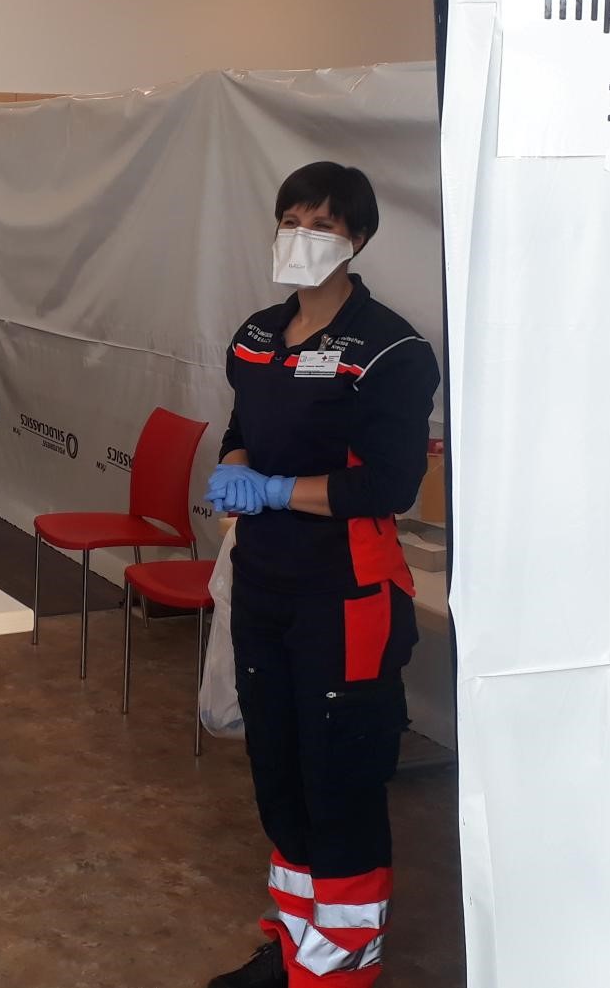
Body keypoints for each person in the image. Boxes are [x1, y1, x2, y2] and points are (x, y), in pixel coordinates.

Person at [202, 162, 440, 988]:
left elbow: (387, 485)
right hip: (264, 584)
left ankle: (338, 970)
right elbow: (241, 426)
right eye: (290, 220)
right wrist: (237, 467)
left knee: (338, 784)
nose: (301, 237)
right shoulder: (258, 334)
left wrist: (275, 490)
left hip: (347, 595)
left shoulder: (391, 349)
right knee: (280, 775)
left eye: (323, 225)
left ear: (358, 239)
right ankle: (297, 945)